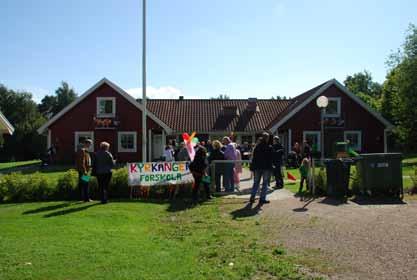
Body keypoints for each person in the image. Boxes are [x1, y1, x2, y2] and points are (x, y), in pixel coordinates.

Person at [249, 132, 273, 204]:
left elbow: (254, 158)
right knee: (265, 183)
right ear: (267, 138)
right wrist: (270, 168)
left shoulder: (257, 146)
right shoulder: (269, 147)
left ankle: (252, 197)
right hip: (265, 168)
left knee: (256, 183)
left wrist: (252, 167)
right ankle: (262, 199)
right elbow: (270, 159)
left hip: (257, 167)